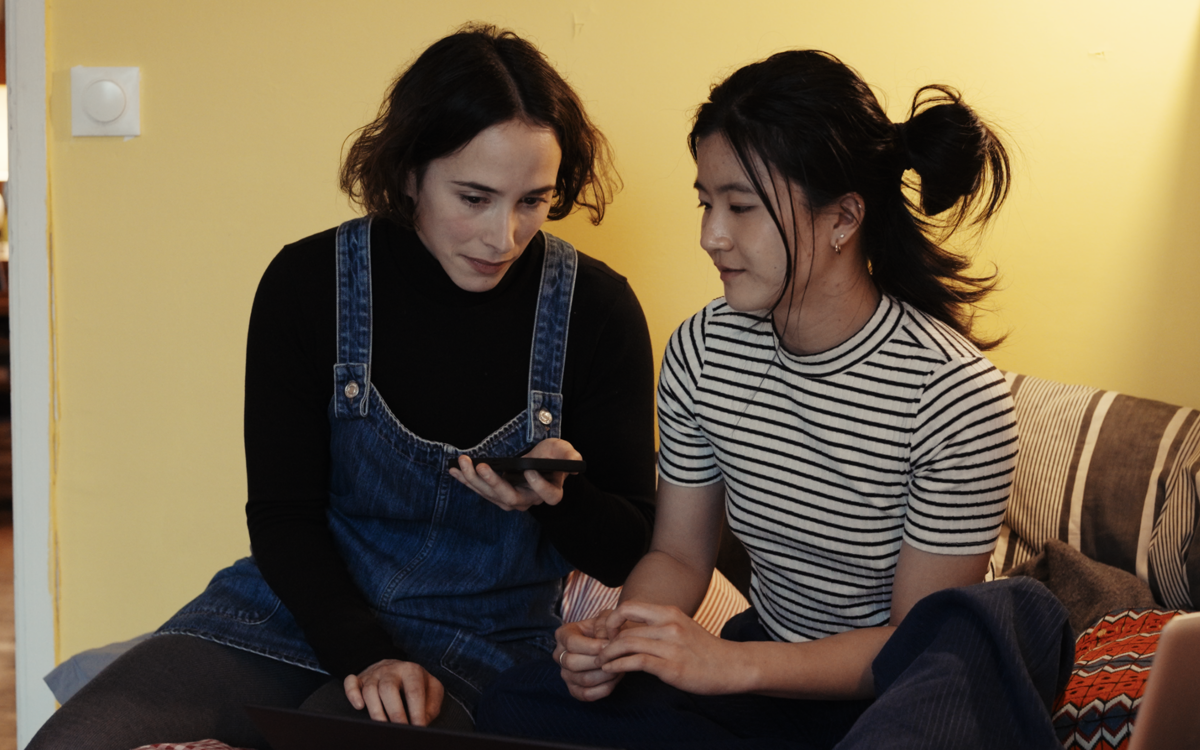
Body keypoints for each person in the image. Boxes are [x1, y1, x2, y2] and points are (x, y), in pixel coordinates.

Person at [28, 25, 657, 750]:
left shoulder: (596, 309)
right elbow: (282, 515)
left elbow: (630, 552)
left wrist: (562, 501)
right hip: (291, 610)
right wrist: (365, 654)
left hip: (475, 640)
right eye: (474, 197)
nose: (503, 236)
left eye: (533, 201)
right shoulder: (307, 284)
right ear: (411, 169)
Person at [476, 50, 1074, 749]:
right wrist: (625, 637)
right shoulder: (703, 350)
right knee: (516, 707)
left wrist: (728, 663)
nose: (711, 236)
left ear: (844, 218)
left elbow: (917, 649)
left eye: (741, 207)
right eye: (706, 202)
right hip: (765, 680)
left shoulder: (953, 395)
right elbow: (677, 556)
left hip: (896, 697)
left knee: (1016, 615)